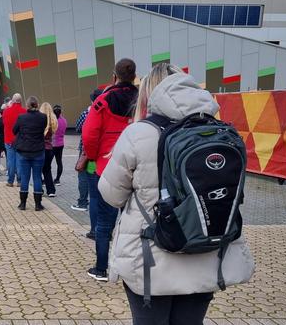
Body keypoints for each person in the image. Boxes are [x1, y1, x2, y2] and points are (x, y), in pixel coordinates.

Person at [98, 65, 254, 324]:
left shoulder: (139, 134)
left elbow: (111, 195)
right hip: (205, 253)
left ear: (148, 94)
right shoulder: (220, 131)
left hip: (152, 258)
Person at [83, 58, 139, 282]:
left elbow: (89, 134)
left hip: (107, 168)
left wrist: (95, 156)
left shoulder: (103, 100)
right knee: (135, 220)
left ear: (114, 76)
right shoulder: (143, 100)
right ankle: (130, 270)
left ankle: (101, 269)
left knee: (104, 222)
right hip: (138, 167)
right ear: (134, 76)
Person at [70, 89, 102, 214]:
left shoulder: (86, 114)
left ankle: (83, 202)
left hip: (86, 152)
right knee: (94, 175)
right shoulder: (106, 113)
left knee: (83, 176)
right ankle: (97, 200)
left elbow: (78, 128)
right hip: (99, 152)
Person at [13, 96, 47, 211]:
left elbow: (14, 130)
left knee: (25, 178)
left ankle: (23, 204)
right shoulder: (43, 117)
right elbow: (43, 129)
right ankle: (38, 204)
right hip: (38, 151)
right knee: (37, 177)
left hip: (24, 151)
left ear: (27, 105)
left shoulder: (22, 117)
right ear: (37, 105)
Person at [3, 93, 26, 187]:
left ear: (12, 100)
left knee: (10, 161)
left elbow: (4, 123)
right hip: (20, 140)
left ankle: (10, 181)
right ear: (21, 101)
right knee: (20, 160)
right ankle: (19, 181)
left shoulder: (6, 111)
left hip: (9, 139)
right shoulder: (24, 111)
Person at [40, 102, 58, 197]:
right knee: (47, 170)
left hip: (41, 148)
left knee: (38, 169)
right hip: (50, 149)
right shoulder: (53, 121)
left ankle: (40, 189)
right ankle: (51, 190)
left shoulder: (40, 120)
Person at [52, 105, 67, 186]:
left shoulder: (52, 121)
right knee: (59, 162)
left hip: (52, 144)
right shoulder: (64, 121)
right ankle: (57, 179)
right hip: (61, 144)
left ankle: (47, 179)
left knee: (47, 163)